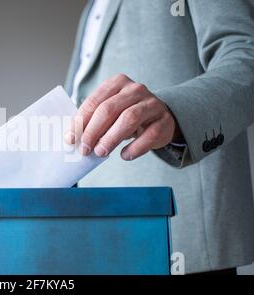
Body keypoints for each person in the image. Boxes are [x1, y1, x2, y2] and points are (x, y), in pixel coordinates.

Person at [64, 0, 254, 274]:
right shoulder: (91, 8)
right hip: (100, 243)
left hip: (176, 239)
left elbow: (246, 58)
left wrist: (174, 112)